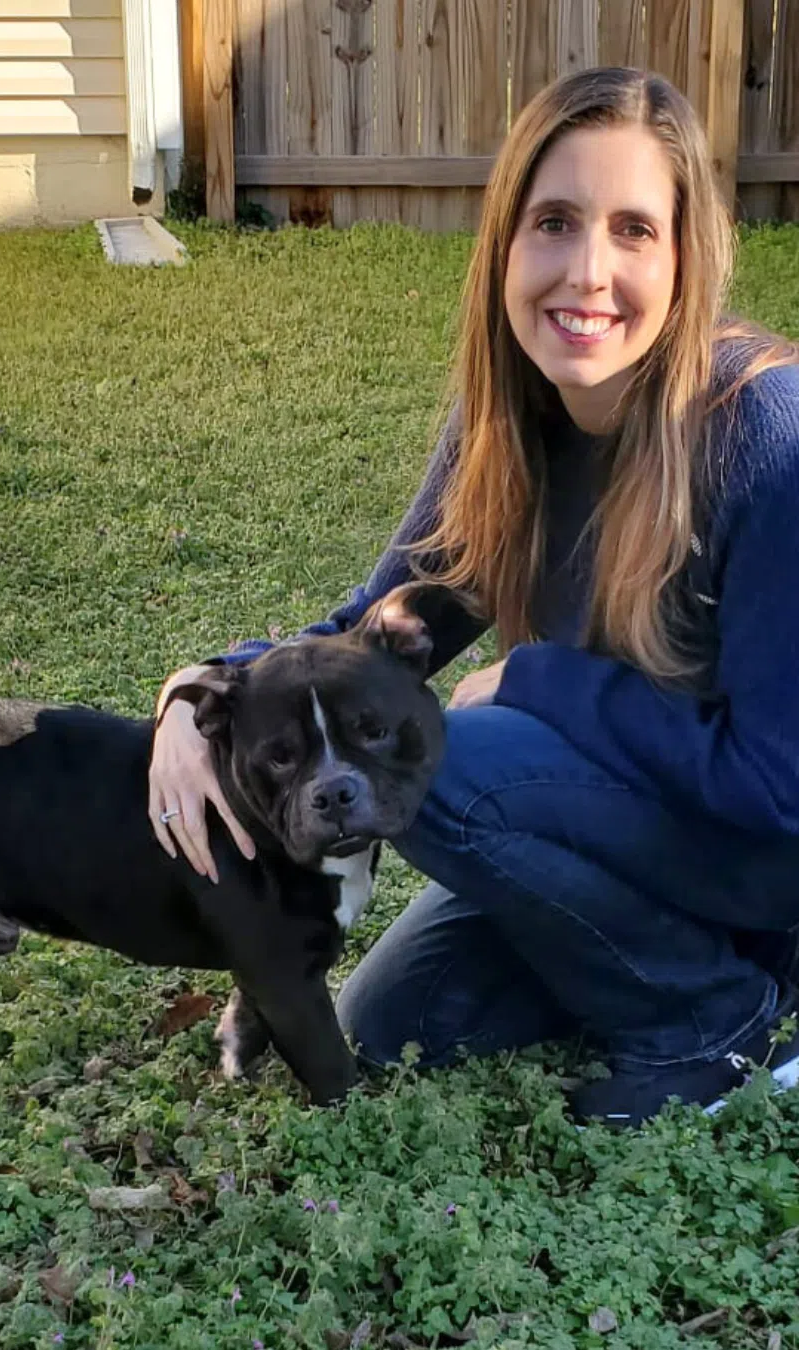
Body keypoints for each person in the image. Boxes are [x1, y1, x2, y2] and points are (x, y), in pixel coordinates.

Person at [148, 65, 799, 1127]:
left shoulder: (768, 435)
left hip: (768, 853)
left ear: (687, 259)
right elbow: (374, 632)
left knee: (424, 767)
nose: (587, 272)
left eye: (634, 230)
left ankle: (714, 1015)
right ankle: (671, 957)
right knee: (395, 1025)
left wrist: (541, 680)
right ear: (505, 242)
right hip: (636, 830)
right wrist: (204, 691)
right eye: (554, 222)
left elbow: (785, 786)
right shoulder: (512, 423)